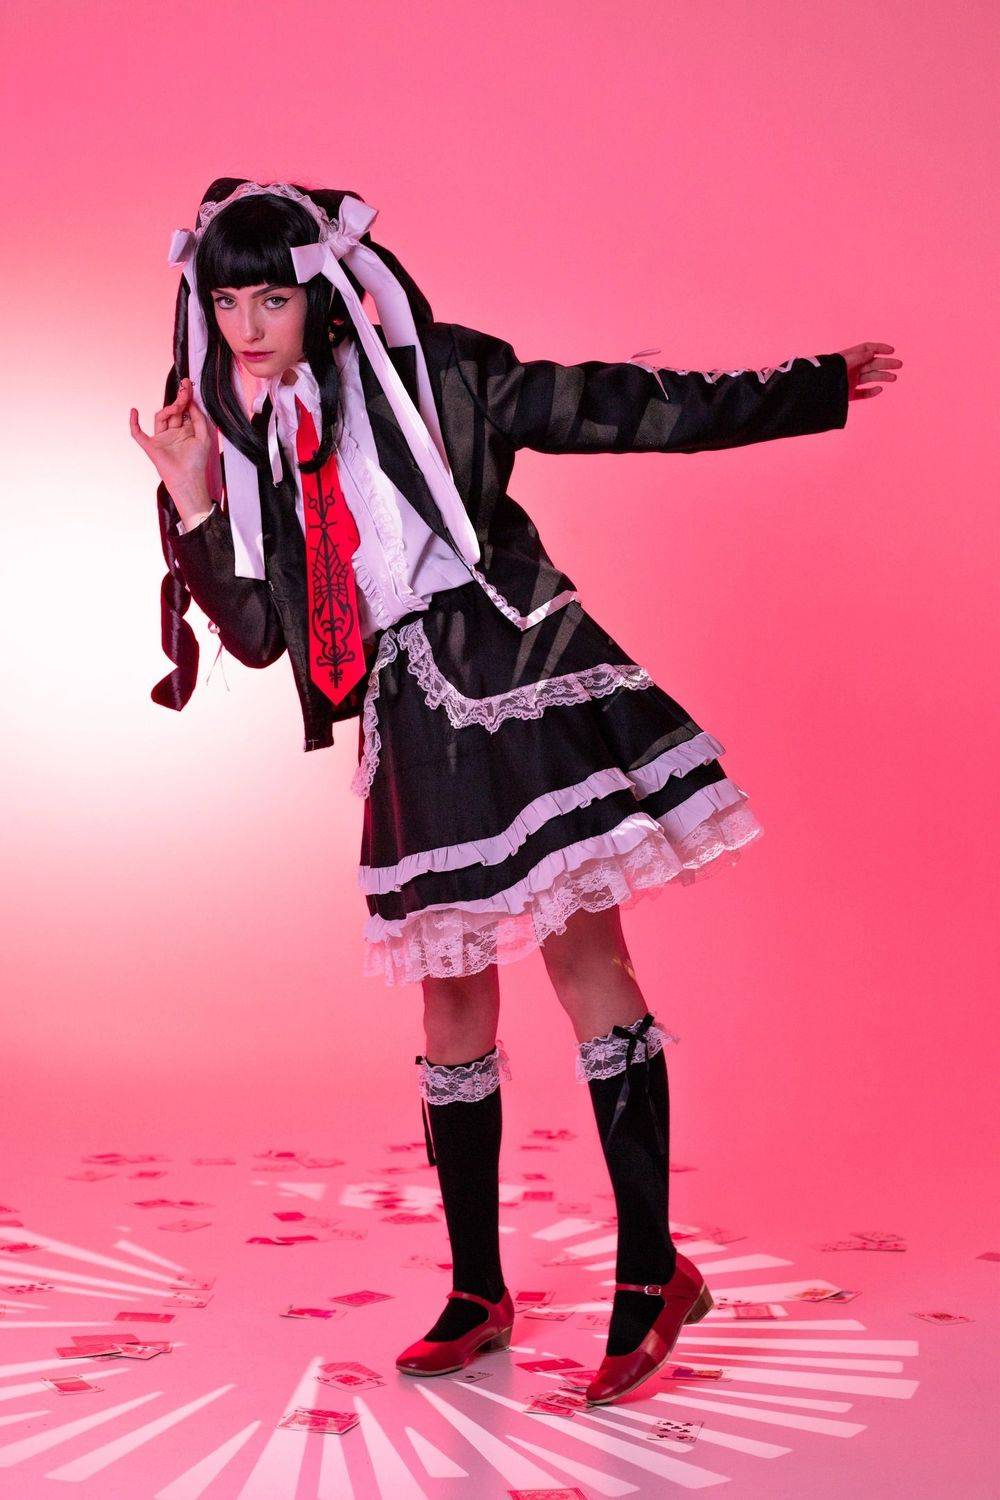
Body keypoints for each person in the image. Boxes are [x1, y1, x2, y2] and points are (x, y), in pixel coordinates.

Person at [130, 177, 900, 1404]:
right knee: (449, 1004)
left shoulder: (442, 375)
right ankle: (480, 1288)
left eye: (270, 297)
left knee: (584, 962)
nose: (246, 327)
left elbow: (619, 405)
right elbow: (268, 637)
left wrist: (805, 388)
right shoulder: (265, 448)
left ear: (322, 291)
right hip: (410, 721)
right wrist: (192, 495)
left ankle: (650, 1270)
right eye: (225, 303)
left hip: (519, 684)